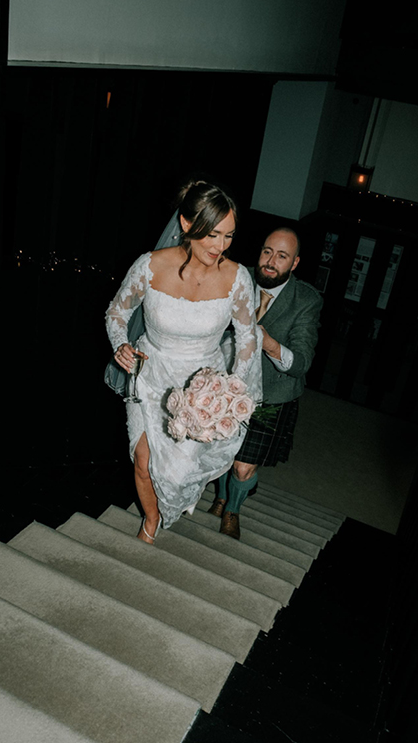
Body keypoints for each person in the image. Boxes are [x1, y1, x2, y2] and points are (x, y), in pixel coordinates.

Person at [105, 181, 262, 542]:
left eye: (228, 236)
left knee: (175, 473)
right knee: (142, 460)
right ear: (187, 225)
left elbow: (247, 338)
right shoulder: (150, 265)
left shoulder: (238, 278)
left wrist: (230, 388)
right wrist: (120, 345)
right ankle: (149, 520)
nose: (219, 246)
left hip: (201, 385)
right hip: (149, 373)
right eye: (212, 235)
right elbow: (117, 312)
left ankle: (169, 506)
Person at [207, 228, 321, 538]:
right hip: (226, 384)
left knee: (243, 466)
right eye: (267, 251)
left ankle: (233, 509)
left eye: (281, 256)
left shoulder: (306, 299)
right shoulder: (236, 276)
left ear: (295, 263)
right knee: (224, 454)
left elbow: (301, 364)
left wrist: (268, 344)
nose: (270, 262)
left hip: (272, 393)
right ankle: (220, 493)